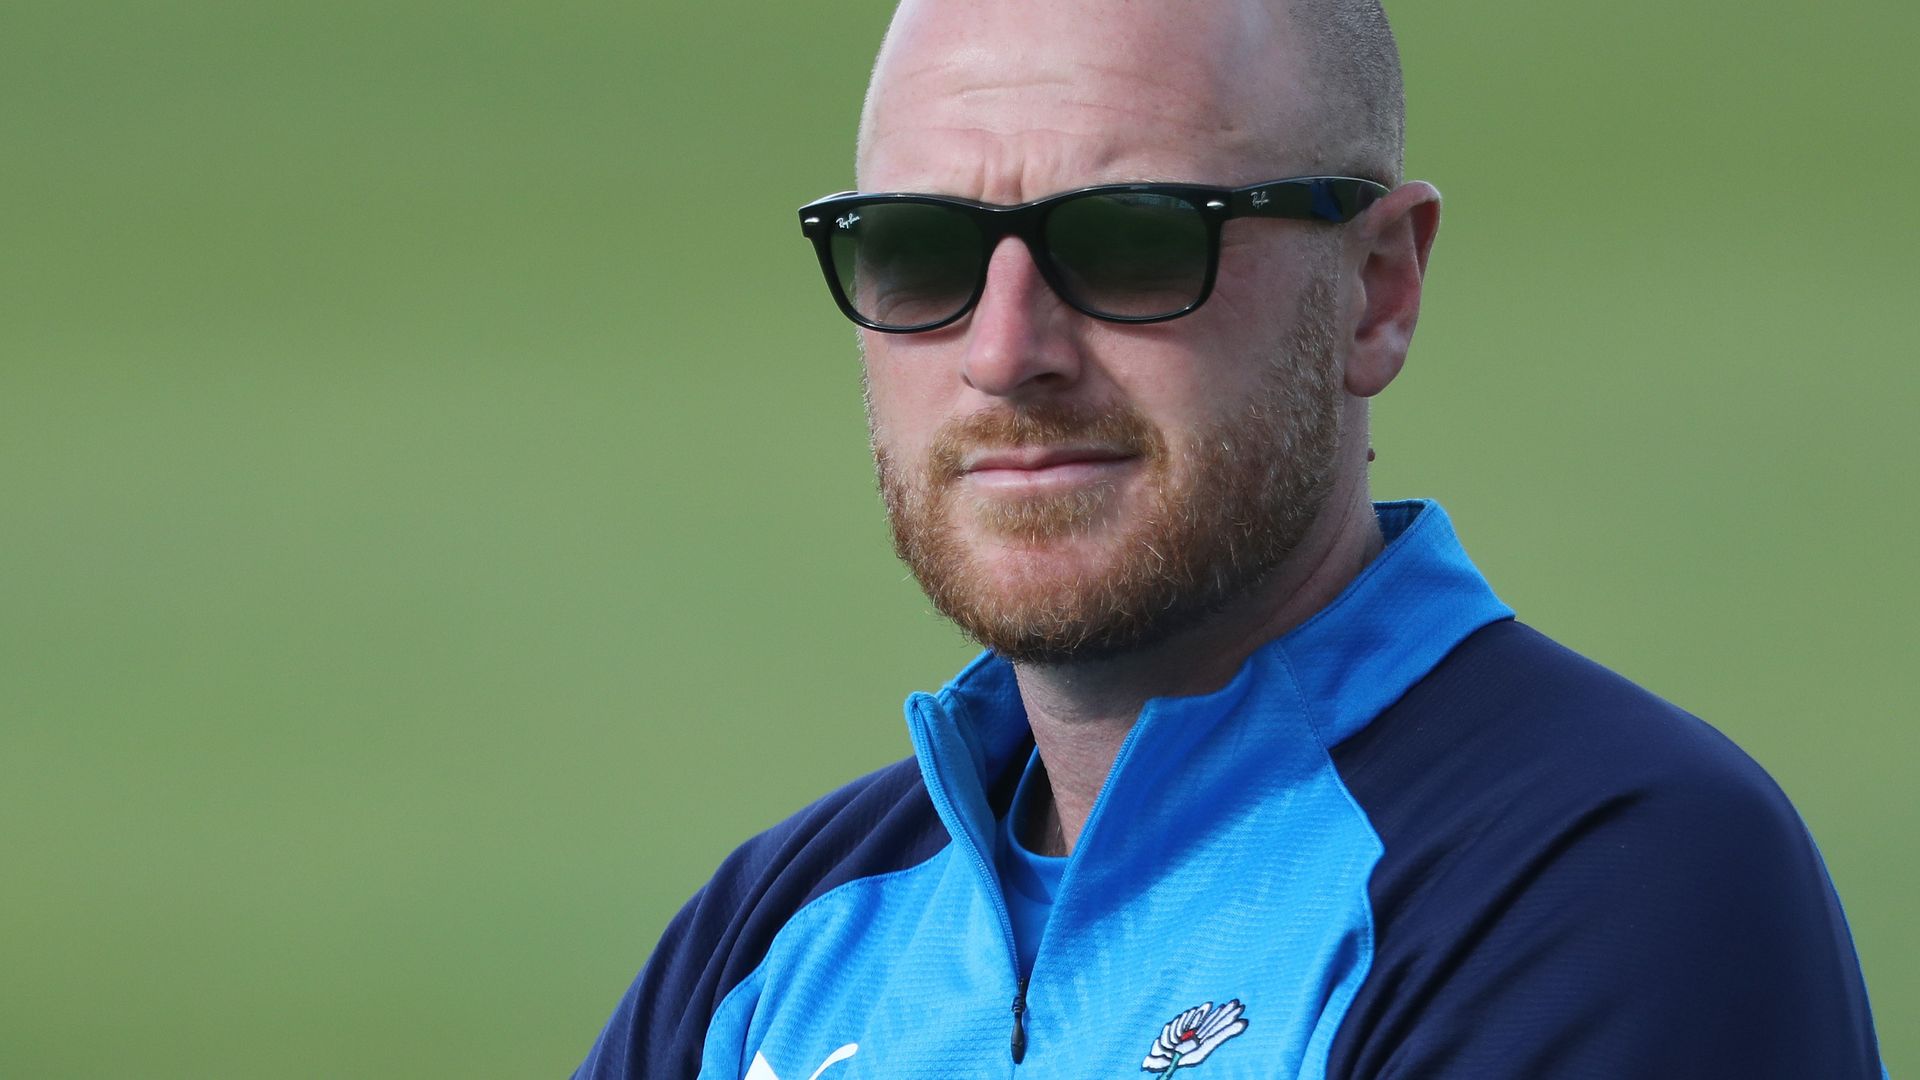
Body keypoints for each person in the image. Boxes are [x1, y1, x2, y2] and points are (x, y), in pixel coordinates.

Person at [577, 0, 1885, 1075]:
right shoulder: (771, 943)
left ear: (1377, 291)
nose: (1003, 353)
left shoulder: (1604, 875)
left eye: (1132, 240)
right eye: (920, 252)